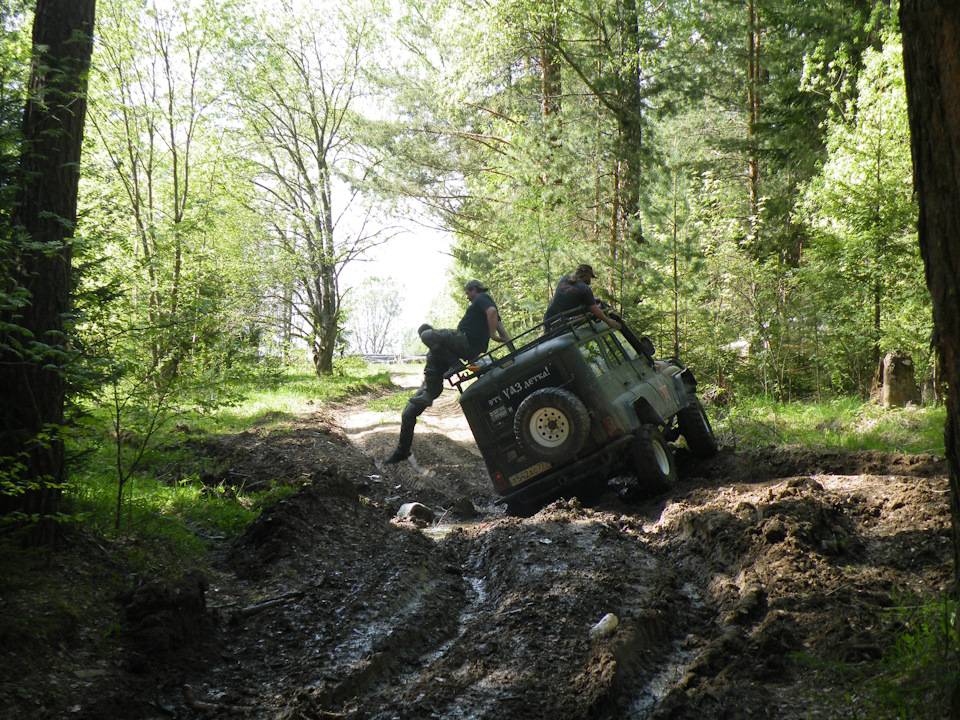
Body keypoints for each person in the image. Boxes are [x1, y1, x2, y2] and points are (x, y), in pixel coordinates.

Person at [385, 279, 512, 464]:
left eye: (467, 293)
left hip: (439, 378)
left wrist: (493, 337)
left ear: (474, 289)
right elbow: (500, 326)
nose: (467, 297)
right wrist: (511, 347)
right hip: (437, 381)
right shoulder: (444, 349)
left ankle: (450, 368)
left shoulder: (481, 298)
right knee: (407, 413)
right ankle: (402, 450)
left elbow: (492, 313)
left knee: (426, 335)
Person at [543, 263, 622, 331]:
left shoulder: (563, 278)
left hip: (548, 318)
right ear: (587, 276)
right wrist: (608, 321)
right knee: (598, 307)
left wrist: (592, 299)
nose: (590, 280)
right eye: (590, 277)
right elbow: (594, 310)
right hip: (564, 323)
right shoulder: (585, 289)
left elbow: (568, 295)